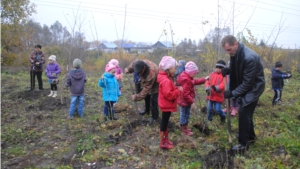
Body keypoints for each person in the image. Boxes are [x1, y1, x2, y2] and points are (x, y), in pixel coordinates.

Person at [221, 35, 265, 151]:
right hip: (245, 86)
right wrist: (229, 70)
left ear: (236, 44)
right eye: (226, 51)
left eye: (229, 49)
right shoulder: (235, 54)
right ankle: (250, 136)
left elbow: (247, 84)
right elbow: (239, 68)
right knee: (246, 113)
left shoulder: (249, 57)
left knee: (244, 111)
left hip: (254, 88)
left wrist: (232, 93)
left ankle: (243, 144)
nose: (228, 53)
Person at [177, 61, 209, 136]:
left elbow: (195, 81)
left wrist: (204, 79)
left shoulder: (187, 77)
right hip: (184, 101)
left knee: (186, 114)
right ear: (190, 72)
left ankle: (185, 127)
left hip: (185, 101)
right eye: (194, 73)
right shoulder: (186, 80)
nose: (195, 75)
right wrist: (192, 102)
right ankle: (183, 129)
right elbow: (185, 94)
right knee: (184, 115)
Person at [157, 56, 182, 149]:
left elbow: (169, 90)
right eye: (175, 68)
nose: (175, 70)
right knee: (164, 123)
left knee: (165, 122)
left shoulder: (166, 78)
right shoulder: (166, 80)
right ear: (169, 68)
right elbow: (169, 95)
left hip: (166, 104)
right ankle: (163, 142)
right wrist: (178, 91)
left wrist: (175, 88)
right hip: (166, 105)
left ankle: (165, 139)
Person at [205, 60, 227, 124]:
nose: (218, 69)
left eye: (220, 68)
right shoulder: (212, 74)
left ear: (223, 69)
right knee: (209, 108)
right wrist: (207, 88)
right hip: (210, 95)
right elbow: (207, 81)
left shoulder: (224, 76)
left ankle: (223, 116)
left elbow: (223, 85)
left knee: (217, 109)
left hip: (218, 96)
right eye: (217, 68)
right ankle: (209, 119)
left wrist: (216, 88)